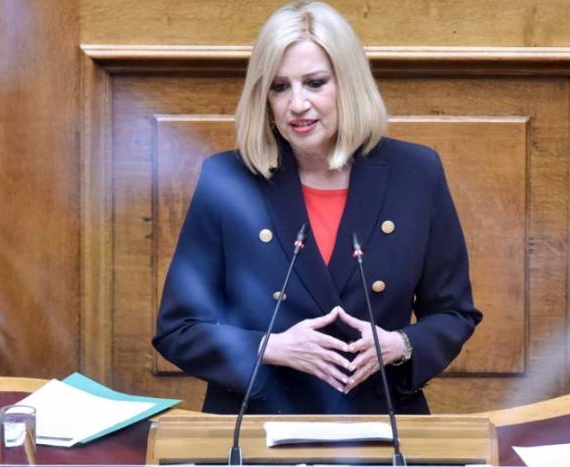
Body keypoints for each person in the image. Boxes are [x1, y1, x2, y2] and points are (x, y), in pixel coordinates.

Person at [153, 0, 481, 415]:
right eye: (279, 87)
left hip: (376, 420)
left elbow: (453, 313)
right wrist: (271, 347)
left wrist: (399, 344)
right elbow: (178, 330)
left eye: (314, 83)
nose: (297, 104)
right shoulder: (227, 179)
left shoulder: (416, 173)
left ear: (349, 84)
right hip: (258, 421)